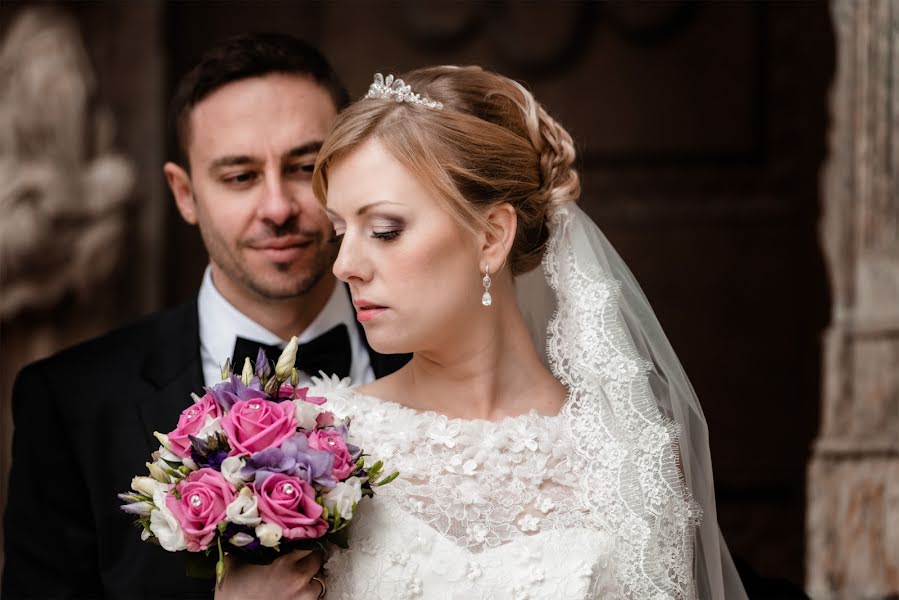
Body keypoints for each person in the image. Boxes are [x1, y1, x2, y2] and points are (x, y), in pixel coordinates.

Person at [218, 65, 752, 599]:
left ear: (492, 236)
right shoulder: (307, 451)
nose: (345, 265)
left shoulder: (629, 458)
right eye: (341, 232)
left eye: (385, 230)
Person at [2, 33, 406, 599]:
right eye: (240, 176)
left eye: (305, 167)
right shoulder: (71, 403)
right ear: (185, 193)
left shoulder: (449, 369)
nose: (277, 208)